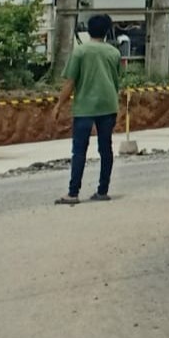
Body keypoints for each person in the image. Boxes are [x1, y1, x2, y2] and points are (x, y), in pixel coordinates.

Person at [55, 14, 123, 205]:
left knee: (79, 151)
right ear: (107, 31)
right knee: (105, 148)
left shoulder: (80, 52)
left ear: (88, 30)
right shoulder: (114, 53)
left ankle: (73, 192)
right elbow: (116, 79)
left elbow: (70, 83)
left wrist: (59, 105)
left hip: (84, 107)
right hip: (108, 105)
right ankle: (103, 190)